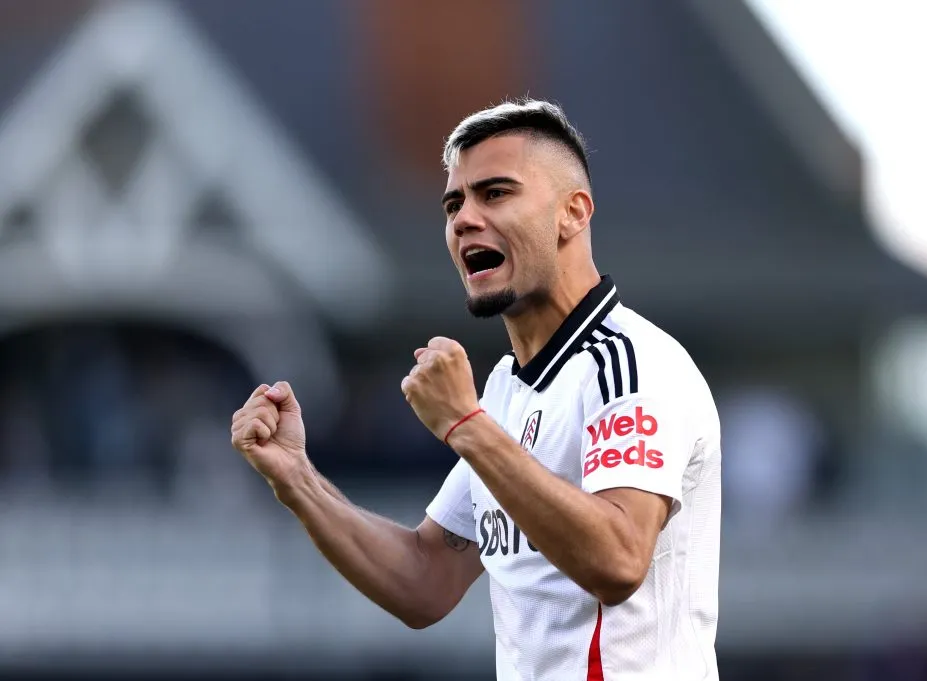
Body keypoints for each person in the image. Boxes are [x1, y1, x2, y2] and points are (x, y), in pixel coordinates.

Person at [230, 99, 722, 680]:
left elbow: (617, 559)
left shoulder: (631, 363)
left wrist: (467, 426)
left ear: (573, 212)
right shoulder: (506, 391)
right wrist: (297, 479)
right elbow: (426, 579)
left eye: (495, 194)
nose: (464, 219)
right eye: (454, 203)